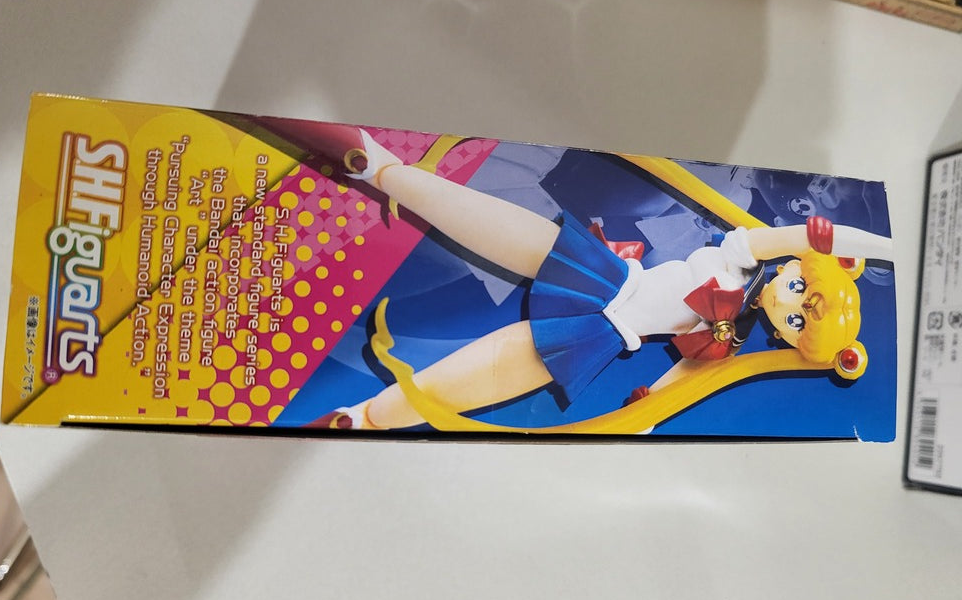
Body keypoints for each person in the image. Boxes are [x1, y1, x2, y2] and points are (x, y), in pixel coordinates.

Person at [288, 123, 890, 433]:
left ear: (786, 337)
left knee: (471, 382)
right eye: (803, 291)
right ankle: (378, 168)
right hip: (607, 276)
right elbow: (797, 237)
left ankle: (362, 418)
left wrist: (646, 411)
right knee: (478, 220)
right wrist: (868, 244)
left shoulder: (727, 339)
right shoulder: (741, 258)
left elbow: (685, 377)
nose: (791, 306)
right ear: (798, 267)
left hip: (605, 335)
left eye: (797, 320)